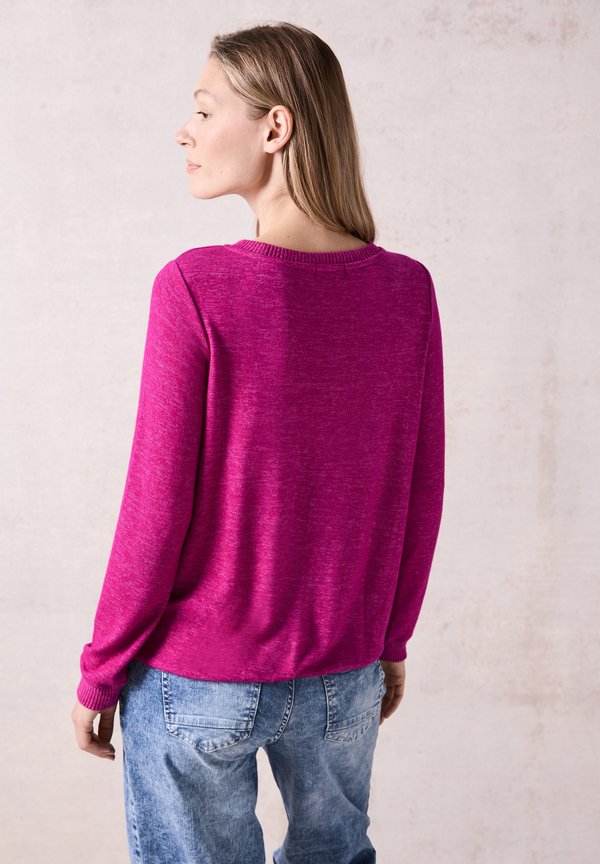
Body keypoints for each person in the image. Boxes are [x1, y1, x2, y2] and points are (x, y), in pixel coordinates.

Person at [71, 20, 445, 864]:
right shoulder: (407, 291)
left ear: (275, 126)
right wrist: (390, 640)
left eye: (205, 110)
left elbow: (155, 508)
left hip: (199, 679)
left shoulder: (197, 288)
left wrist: (101, 670)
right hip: (344, 673)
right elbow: (421, 490)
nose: (185, 131)